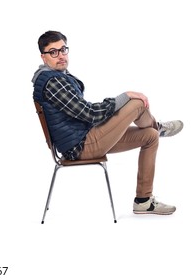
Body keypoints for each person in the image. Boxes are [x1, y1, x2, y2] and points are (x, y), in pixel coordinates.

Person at [32, 30, 183, 215]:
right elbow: (89, 113)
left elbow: (84, 114)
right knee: (136, 104)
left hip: (84, 139)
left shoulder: (56, 77)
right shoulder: (53, 82)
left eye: (63, 50)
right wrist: (124, 96)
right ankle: (158, 127)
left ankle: (143, 201)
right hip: (81, 146)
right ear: (43, 57)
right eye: (53, 52)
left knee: (150, 137)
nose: (61, 55)